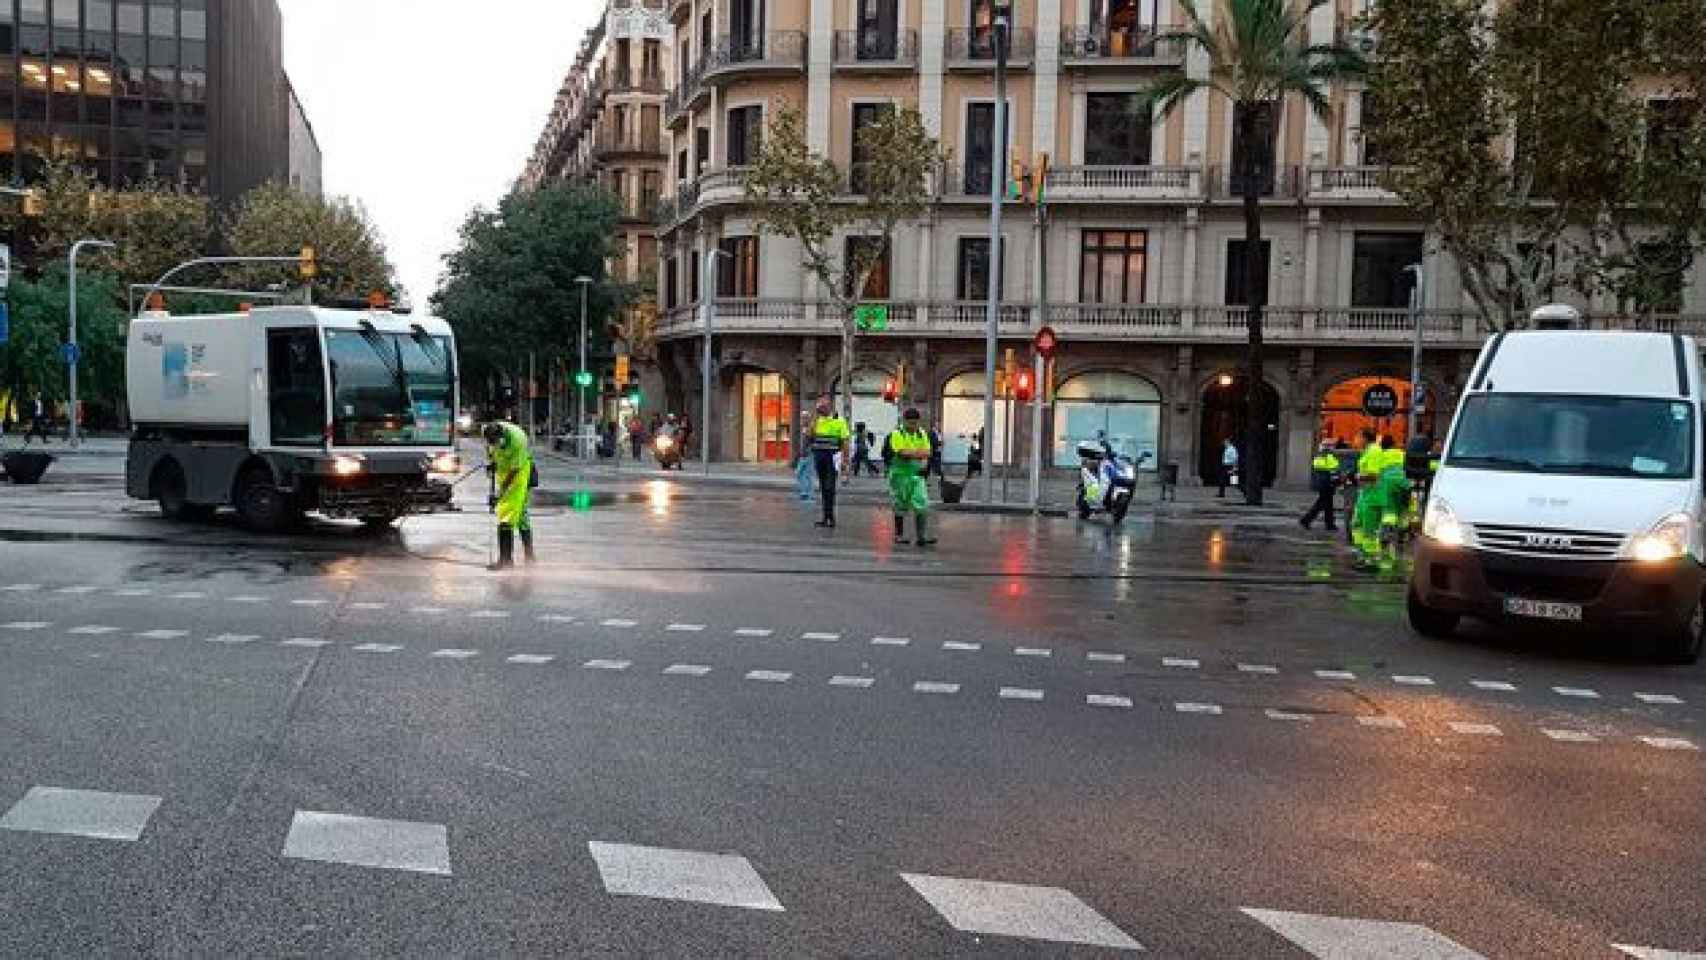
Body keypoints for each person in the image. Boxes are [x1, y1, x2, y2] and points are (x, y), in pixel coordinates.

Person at [483, 421, 535, 571]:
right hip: (503, 472)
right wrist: (491, 464)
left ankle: (506, 561)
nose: (494, 445)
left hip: (518, 475)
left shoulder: (518, 440)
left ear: (502, 436)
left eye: (496, 442)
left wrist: (499, 494)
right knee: (521, 515)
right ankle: (530, 556)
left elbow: (514, 471)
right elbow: (490, 451)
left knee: (507, 514)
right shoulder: (489, 434)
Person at [887, 408, 936, 546]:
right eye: (910, 423)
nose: (913, 426)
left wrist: (917, 456)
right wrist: (919, 454)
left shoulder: (921, 434)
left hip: (916, 474)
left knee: (922, 503)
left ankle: (921, 536)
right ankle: (899, 535)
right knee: (899, 504)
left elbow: (927, 452)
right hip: (899, 475)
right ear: (904, 421)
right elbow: (902, 453)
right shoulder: (897, 434)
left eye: (915, 423)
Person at [808, 395, 850, 527]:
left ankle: (830, 517)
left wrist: (845, 460)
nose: (821, 407)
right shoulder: (817, 420)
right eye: (819, 405)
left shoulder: (839, 420)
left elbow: (845, 441)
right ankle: (825, 516)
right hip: (819, 456)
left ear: (830, 405)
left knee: (829, 487)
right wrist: (815, 417)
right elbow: (809, 435)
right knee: (823, 487)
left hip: (832, 457)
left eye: (824, 405)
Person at [1300, 439, 1341, 531]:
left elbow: (1317, 469)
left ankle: (1329, 524)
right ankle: (1307, 520)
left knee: (1327, 504)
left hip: (1322, 483)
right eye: (1332, 446)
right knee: (1322, 504)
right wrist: (1337, 482)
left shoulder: (1319, 456)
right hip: (1328, 483)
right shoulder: (1329, 457)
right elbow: (1333, 471)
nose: (1333, 448)